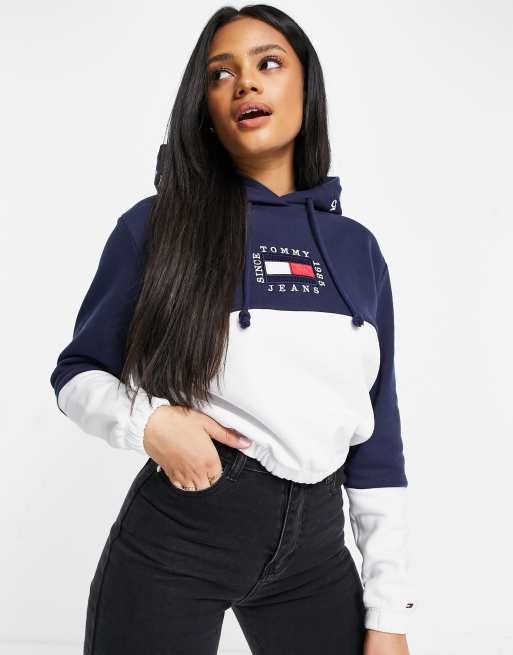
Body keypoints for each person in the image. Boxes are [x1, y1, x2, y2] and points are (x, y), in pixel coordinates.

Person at [50, 5, 415, 654]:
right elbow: (77, 374)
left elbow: (378, 438)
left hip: (315, 550)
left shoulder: (356, 249)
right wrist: (150, 423)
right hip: (181, 536)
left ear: (306, 87)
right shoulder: (156, 226)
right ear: (206, 108)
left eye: (268, 63)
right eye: (220, 74)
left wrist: (389, 613)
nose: (245, 82)